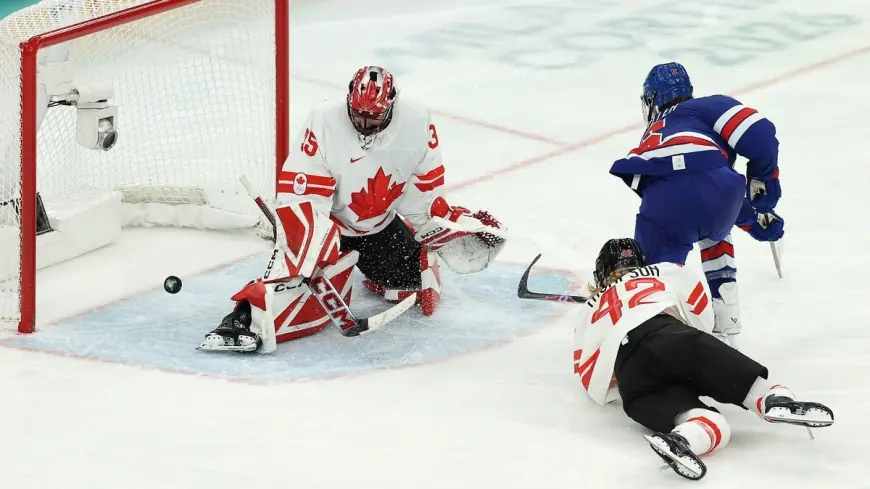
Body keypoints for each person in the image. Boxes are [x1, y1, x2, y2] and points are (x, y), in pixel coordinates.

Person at [198, 65, 506, 353]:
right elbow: (303, 199)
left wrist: (447, 227)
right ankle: (238, 320)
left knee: (414, 282)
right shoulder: (325, 121)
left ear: (392, 107)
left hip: (380, 227)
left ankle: (373, 264)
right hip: (331, 228)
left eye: (373, 117)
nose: (364, 124)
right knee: (292, 285)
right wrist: (308, 252)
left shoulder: (417, 123)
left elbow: (423, 196)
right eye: (357, 114)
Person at [573, 238, 833, 480]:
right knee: (740, 381)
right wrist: (697, 358)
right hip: (673, 337)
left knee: (704, 422)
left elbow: (590, 378)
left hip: (632, 376)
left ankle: (684, 439)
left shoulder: (588, 310)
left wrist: (625, 382)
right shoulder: (664, 270)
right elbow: (699, 309)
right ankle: (773, 399)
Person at [609, 62, 784, 343]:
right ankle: (728, 318)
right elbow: (760, 135)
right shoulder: (707, 107)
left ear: (652, 98)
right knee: (717, 231)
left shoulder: (655, 131)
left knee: (654, 281)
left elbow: (683, 193)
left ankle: (651, 323)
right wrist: (763, 186)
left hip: (664, 200)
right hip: (722, 191)